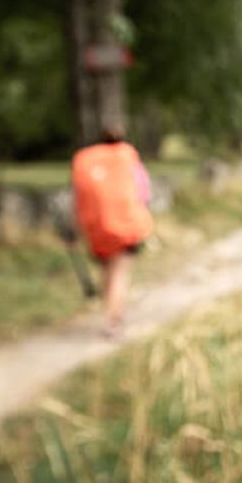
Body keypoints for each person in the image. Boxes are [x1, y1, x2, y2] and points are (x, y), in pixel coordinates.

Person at [70, 126, 154, 337]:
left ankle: (109, 312)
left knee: (107, 270)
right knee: (120, 272)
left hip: (97, 227)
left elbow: (78, 196)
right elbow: (143, 192)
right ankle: (113, 319)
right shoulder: (128, 158)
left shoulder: (86, 161)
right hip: (126, 225)